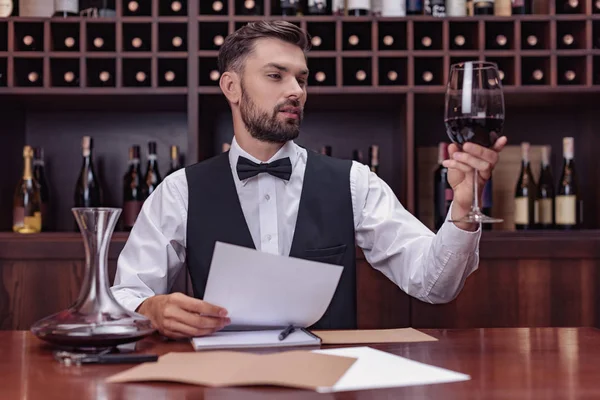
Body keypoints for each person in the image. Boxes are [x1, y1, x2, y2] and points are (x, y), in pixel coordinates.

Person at [111, 21, 507, 339]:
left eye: (301, 78)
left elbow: (432, 285)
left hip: (329, 383)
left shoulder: (355, 182)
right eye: (275, 75)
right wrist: (152, 309)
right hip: (220, 382)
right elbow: (126, 293)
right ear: (231, 87)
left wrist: (462, 212)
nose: (295, 91)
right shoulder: (180, 191)